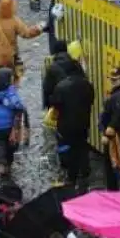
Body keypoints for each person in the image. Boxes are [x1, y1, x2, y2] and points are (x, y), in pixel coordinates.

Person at [50, 43, 95, 189]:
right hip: (83, 122)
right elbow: (91, 100)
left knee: (70, 149)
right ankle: (85, 172)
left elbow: (55, 106)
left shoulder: (61, 87)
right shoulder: (87, 85)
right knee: (82, 146)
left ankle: (72, 176)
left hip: (66, 124)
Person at [0, 0, 42, 85]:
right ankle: (12, 93)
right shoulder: (15, 21)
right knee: (15, 78)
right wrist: (38, 28)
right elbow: (27, 33)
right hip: (10, 57)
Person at [0, 67, 28, 178]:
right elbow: (18, 107)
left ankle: (1, 163)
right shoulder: (10, 92)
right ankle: (8, 166)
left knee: (0, 144)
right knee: (10, 145)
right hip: (9, 125)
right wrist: (15, 129)